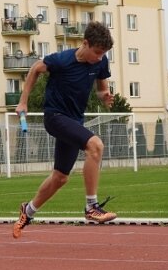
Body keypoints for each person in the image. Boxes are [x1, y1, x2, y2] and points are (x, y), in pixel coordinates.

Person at [13, 21, 116, 239]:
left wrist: (104, 96)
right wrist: (23, 102)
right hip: (55, 117)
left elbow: (101, 88)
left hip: (74, 121)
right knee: (95, 145)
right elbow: (35, 69)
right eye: (97, 52)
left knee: (60, 177)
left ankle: (28, 211)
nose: (99, 57)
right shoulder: (62, 60)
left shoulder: (100, 62)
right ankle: (91, 207)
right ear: (85, 43)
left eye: (103, 54)